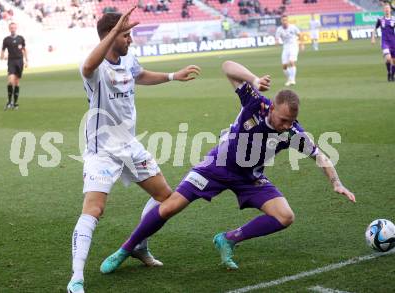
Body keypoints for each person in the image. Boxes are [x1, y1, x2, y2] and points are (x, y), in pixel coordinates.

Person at [100, 60, 356, 274]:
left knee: (285, 216)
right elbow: (227, 66)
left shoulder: (293, 132)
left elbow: (320, 155)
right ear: (273, 108)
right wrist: (254, 79)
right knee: (170, 206)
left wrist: (336, 182)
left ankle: (229, 239)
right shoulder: (256, 102)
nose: (287, 125)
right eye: (284, 119)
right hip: (217, 166)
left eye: (292, 121)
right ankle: (127, 248)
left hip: (249, 177)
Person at [67, 7, 200, 293]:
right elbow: (87, 66)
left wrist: (173, 75)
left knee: (166, 197)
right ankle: (76, 277)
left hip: (130, 145)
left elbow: (140, 75)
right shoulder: (95, 68)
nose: (131, 40)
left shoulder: (128, 60)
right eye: (126, 35)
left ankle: (139, 244)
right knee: (94, 209)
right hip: (102, 149)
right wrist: (115, 31)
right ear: (110, 36)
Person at [0, 22, 27, 110]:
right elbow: (3, 49)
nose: (12, 29)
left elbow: (24, 49)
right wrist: (2, 55)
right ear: (9, 29)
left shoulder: (21, 38)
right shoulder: (6, 39)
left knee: (16, 83)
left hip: (19, 61)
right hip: (11, 61)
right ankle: (9, 101)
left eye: (14, 28)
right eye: (11, 28)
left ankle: (15, 103)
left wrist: (26, 60)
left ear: (16, 28)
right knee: (10, 81)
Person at [275, 15, 304, 86]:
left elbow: (300, 35)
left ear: (287, 20)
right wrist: (277, 42)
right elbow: (277, 38)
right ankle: (289, 79)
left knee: (291, 61)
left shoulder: (293, 27)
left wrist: (301, 44)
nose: (284, 21)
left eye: (285, 20)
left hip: (294, 46)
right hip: (285, 47)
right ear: (281, 21)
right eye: (283, 20)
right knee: (284, 65)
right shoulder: (279, 29)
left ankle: (293, 79)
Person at [371, 3, 395, 82]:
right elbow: (374, 28)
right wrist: (373, 38)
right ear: (383, 10)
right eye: (385, 8)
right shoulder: (380, 19)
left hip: (393, 42)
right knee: (388, 58)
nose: (387, 9)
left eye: (388, 8)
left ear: (390, 10)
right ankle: (389, 72)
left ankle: (392, 75)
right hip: (385, 42)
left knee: (394, 61)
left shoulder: (394, 19)